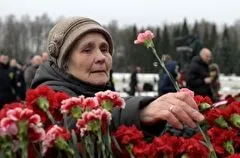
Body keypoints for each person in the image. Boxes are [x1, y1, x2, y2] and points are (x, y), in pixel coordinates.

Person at [31, 17, 204, 135]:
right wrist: (141, 112)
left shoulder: (97, 91)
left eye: (104, 49)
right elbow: (72, 126)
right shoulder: (48, 96)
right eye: (87, 50)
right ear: (64, 62)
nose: (101, 57)